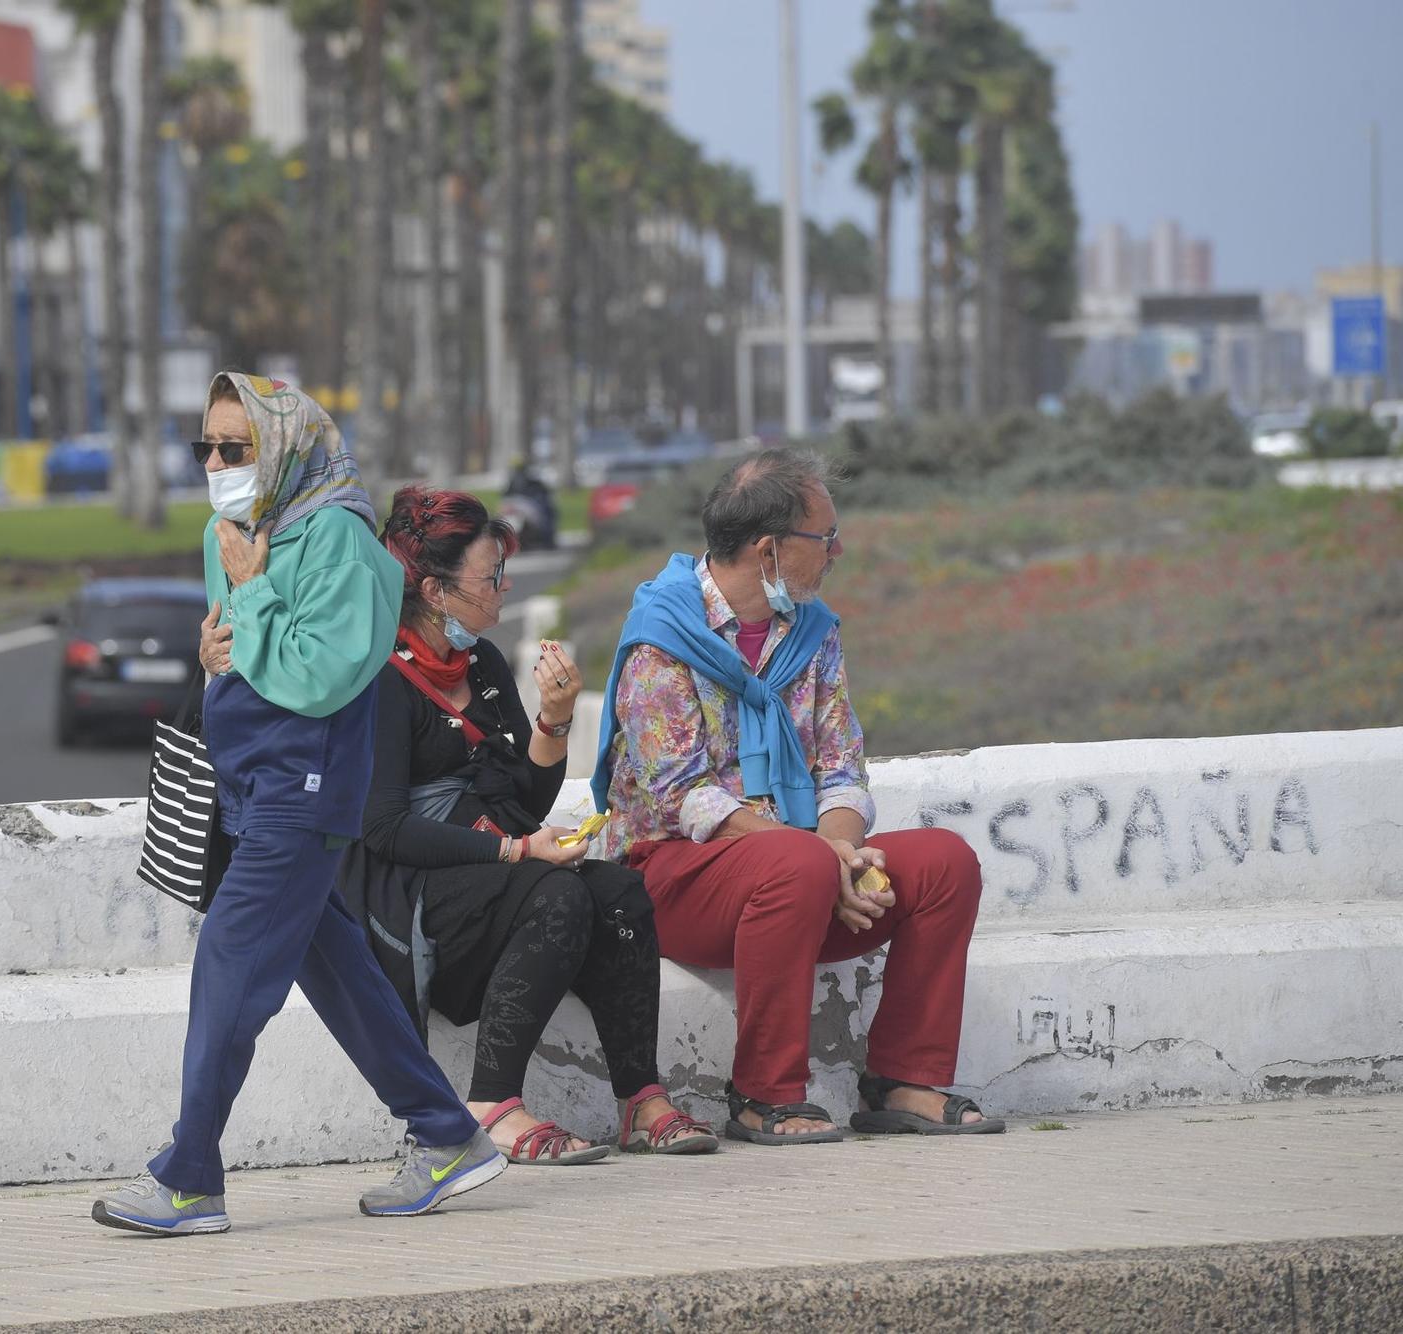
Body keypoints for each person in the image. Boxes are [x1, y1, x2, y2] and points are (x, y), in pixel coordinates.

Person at [92, 375, 503, 1236]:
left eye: (233, 449)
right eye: (203, 446)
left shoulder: (342, 540)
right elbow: (242, 646)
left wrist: (253, 590)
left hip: (303, 785)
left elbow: (322, 674)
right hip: (250, 783)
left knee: (229, 969)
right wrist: (214, 647)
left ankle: (190, 1176)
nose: (214, 463)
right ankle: (446, 1134)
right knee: (340, 975)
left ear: (282, 448)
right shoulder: (237, 529)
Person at [592, 448, 1004, 1144]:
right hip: (673, 877)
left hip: (802, 874)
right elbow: (685, 801)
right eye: (825, 538)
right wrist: (820, 858)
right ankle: (762, 1095)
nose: (838, 551)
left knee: (944, 863)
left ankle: (902, 1080)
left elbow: (842, 768)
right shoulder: (661, 637)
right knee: (800, 865)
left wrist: (839, 851)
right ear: (769, 551)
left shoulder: (813, 633)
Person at [335, 486, 717, 1165]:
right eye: (491, 578)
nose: (504, 591)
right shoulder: (380, 681)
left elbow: (524, 800)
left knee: (621, 898)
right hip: (414, 890)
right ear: (434, 589)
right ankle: (492, 1104)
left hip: (491, 871)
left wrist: (555, 719)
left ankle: (639, 1097)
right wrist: (515, 851)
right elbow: (385, 829)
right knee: (558, 894)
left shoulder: (481, 665)